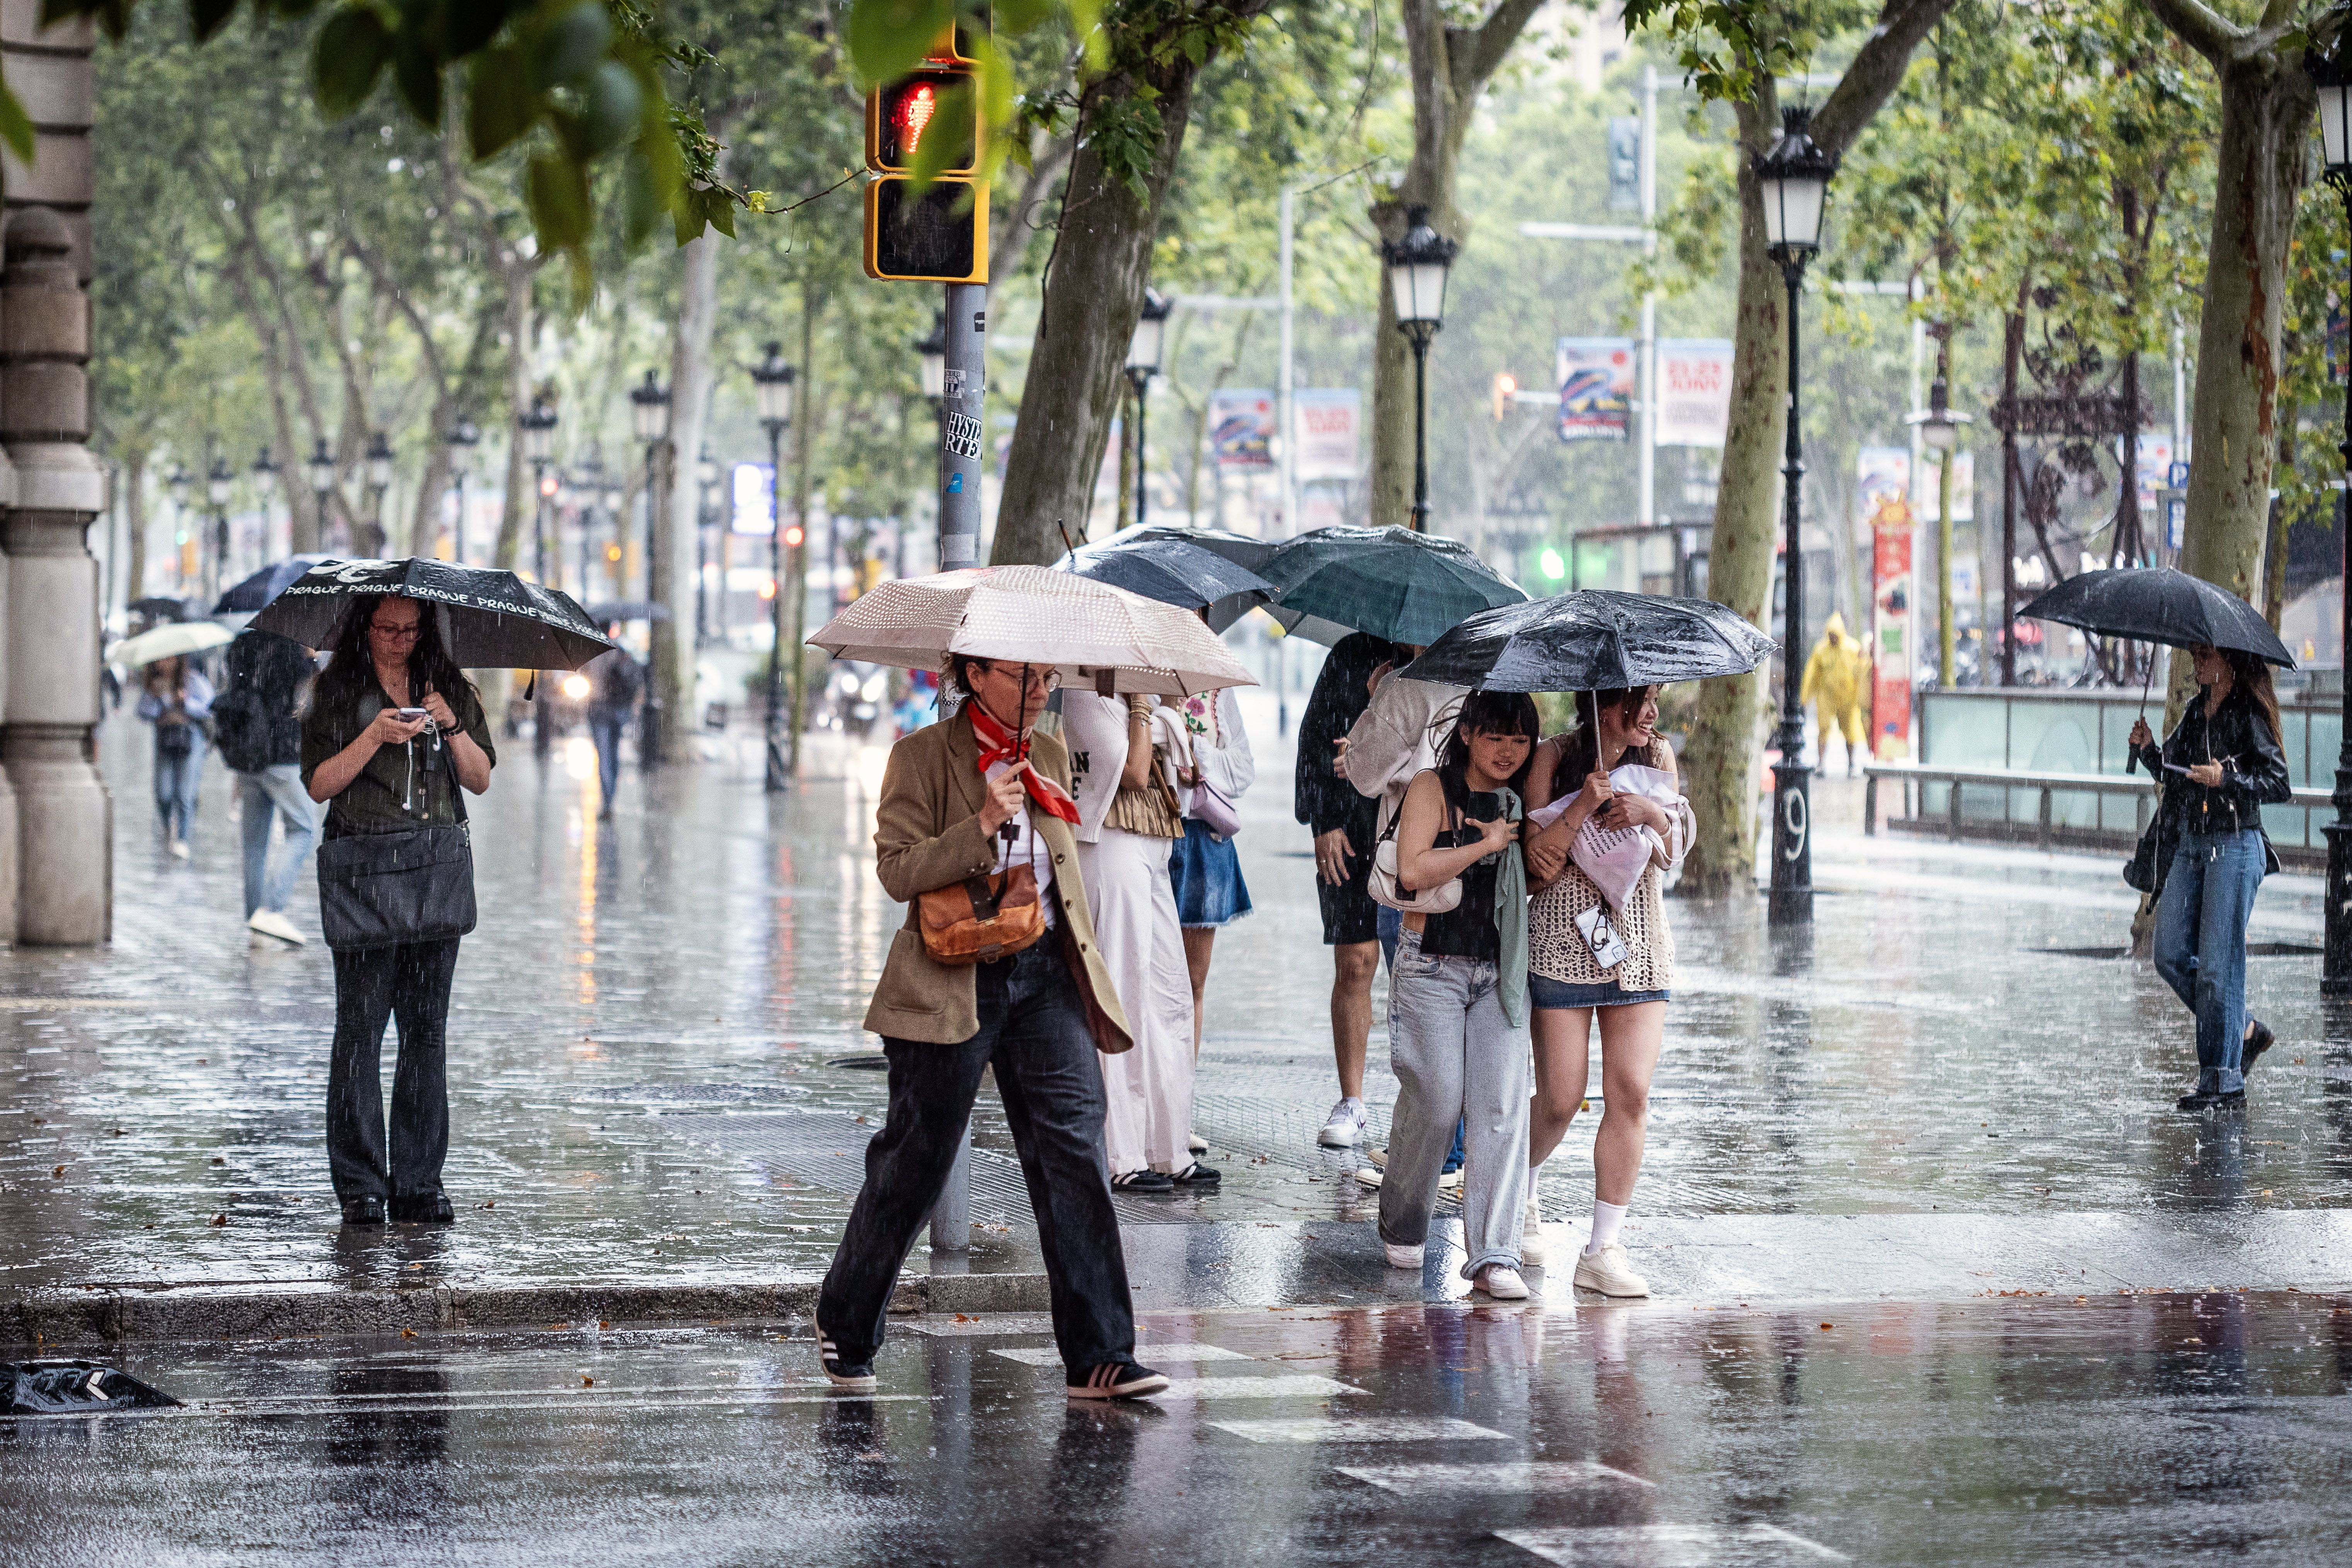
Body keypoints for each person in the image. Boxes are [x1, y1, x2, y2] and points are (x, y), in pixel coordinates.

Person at [816, 654, 1166, 1402]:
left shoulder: (1044, 751)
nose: (1040, 692)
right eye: (1022, 678)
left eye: (1046, 678)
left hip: (1042, 973)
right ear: (973, 676)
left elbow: (1062, 861)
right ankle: (846, 1320)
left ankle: (1101, 1352)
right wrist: (980, 822)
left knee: (1073, 1146)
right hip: (950, 976)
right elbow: (897, 870)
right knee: (918, 1156)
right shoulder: (920, 758)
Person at [302, 595, 496, 1226]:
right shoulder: (335, 692)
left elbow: (480, 779)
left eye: (410, 630)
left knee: (425, 1034)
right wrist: (374, 734)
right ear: (365, 628)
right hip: (364, 871)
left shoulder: (449, 688)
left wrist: (451, 723)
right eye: (386, 628)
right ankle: (360, 1185)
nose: (398, 640)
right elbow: (318, 784)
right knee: (359, 1034)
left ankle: (418, 1182)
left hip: (434, 871)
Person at [1520, 687, 1693, 1297]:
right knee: (1561, 1099)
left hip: (1640, 947)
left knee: (1631, 1093)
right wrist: (1581, 809)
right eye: (1638, 702)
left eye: (1654, 701)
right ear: (1602, 704)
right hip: (1564, 945)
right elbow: (1534, 866)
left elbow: (1673, 851)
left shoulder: (1659, 758)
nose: (1650, 714)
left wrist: (1650, 814)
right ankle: (1522, 1192)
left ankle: (1603, 1249)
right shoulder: (1553, 757)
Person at [1378, 690, 1536, 1299]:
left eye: (1520, 740)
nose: (1508, 751)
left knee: (1499, 1109)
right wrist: (1487, 845)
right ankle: (1403, 1217)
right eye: (1496, 736)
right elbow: (1412, 873)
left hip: (1500, 970)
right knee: (1439, 1103)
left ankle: (1497, 1255)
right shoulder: (1431, 789)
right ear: (1467, 733)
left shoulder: (1522, 799)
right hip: (1432, 968)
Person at [2131, 643, 2291, 1113]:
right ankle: (2244, 1029)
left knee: (2220, 969)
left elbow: (2279, 783)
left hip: (2237, 844)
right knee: (2171, 954)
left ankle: (2222, 1082)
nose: (2196, 662)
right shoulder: (2195, 710)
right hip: (2193, 843)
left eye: (2204, 655)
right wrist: (2147, 753)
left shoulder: (2247, 712)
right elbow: (2175, 772)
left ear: (2227, 662)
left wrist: (2228, 779)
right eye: (2195, 655)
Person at [1059, 688, 1206, 1192]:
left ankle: (1170, 1147)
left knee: (1170, 995)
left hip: (1157, 844)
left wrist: (1161, 715)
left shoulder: (1134, 700)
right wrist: (1148, 711)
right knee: (1121, 994)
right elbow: (1136, 771)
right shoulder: (1086, 698)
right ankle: (1122, 1154)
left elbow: (1185, 777)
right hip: (1110, 845)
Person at [1294, 632, 1394, 1148]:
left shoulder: (1450, 658)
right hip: (1350, 827)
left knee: (1419, 971)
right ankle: (1352, 1099)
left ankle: (1427, 1103)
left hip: (1421, 830)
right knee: (1355, 960)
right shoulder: (1352, 654)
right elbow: (1315, 740)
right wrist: (1322, 821)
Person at [1167, 673, 1255, 1158]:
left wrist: (1197, 758)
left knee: (1192, 983)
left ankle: (1179, 1109)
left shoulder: (1218, 695)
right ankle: (1139, 1107)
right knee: (1145, 976)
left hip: (1206, 841)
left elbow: (1242, 771)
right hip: (1153, 833)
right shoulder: (1132, 684)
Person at [215, 628, 321, 945]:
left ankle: (255, 919)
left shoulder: (242, 643)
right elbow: (308, 701)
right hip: (282, 753)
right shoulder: (292, 650)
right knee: (303, 829)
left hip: (246, 752)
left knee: (254, 844)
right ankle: (271, 909)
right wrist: (311, 660)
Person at [137, 654, 213, 860]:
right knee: (163, 792)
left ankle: (182, 839)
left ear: (178, 660)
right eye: (159, 660)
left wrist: (186, 701)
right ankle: (166, 825)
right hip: (164, 740)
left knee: (185, 793)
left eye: (168, 660)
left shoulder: (193, 680)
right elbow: (142, 712)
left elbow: (209, 706)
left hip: (190, 740)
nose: (162, 664)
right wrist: (156, 699)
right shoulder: (154, 685)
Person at [580, 632, 643, 820]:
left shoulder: (592, 652)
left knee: (605, 756)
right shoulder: (619, 650)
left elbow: (587, 681)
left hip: (599, 710)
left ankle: (608, 802)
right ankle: (610, 799)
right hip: (618, 710)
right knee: (613, 755)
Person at [1800, 612, 1870, 777]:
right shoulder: (1821, 650)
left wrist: (1863, 696)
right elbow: (1812, 673)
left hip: (1848, 696)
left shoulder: (1853, 648)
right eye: (1830, 635)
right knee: (1823, 729)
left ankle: (1852, 763)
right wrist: (1806, 696)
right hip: (1826, 696)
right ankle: (1821, 762)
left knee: (1850, 731)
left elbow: (1863, 671)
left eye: (1835, 635)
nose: (1833, 638)